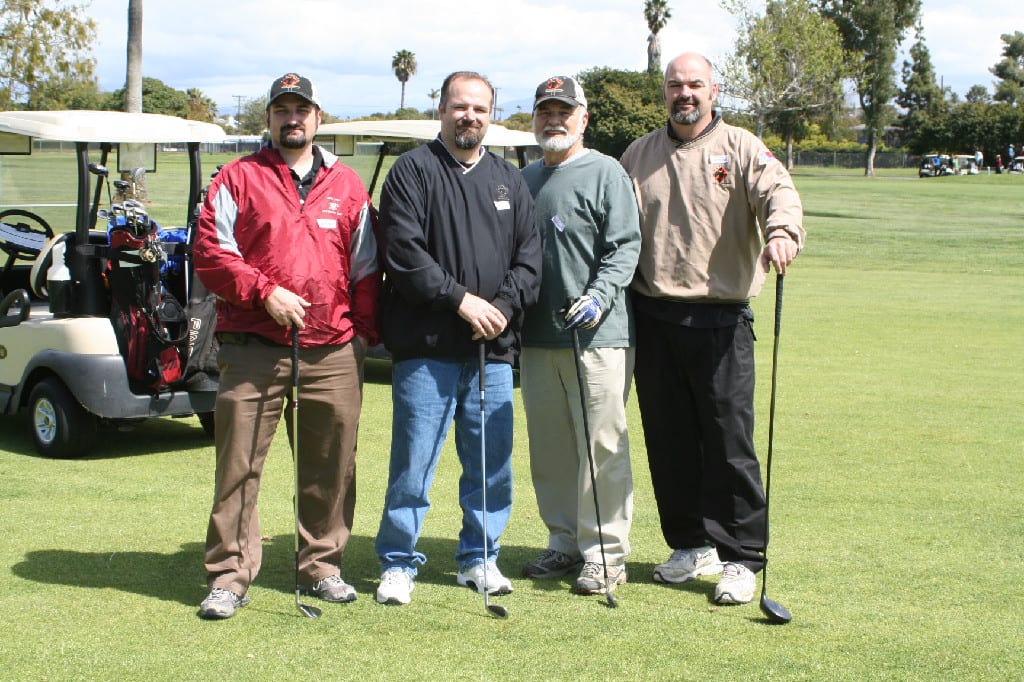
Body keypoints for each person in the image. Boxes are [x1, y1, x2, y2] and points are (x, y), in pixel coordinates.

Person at [620, 52, 805, 607]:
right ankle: (691, 544)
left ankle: (743, 557)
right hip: (653, 317)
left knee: (729, 443)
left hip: (720, 319)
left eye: (695, 84)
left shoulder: (743, 147)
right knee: (669, 440)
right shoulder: (639, 153)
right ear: (665, 92)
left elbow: (780, 194)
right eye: (676, 84)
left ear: (713, 89)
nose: (685, 93)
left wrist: (782, 232)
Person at [193, 73, 381, 619]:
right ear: (270, 118)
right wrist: (265, 291)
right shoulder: (237, 177)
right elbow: (210, 253)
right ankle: (229, 575)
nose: (292, 118)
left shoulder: (347, 185)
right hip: (255, 346)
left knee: (331, 465)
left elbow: (367, 267)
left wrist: (362, 333)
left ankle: (322, 565)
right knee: (239, 465)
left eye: (302, 109)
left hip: (333, 348)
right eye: (282, 109)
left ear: (318, 118)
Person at [373, 71, 541, 606]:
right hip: (427, 349)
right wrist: (462, 300)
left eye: (480, 108)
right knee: (414, 462)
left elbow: (529, 258)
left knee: (491, 464)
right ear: (442, 110)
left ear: (491, 114)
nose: (470, 116)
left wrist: (501, 308)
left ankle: (480, 557)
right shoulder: (412, 171)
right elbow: (404, 255)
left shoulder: (507, 179)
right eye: (460, 107)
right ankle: (398, 562)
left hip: (491, 350)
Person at [518, 76, 641, 596]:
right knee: (550, 450)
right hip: (537, 337)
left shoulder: (606, 172)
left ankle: (606, 553)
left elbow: (624, 247)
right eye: (545, 111)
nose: (554, 120)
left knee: (601, 447)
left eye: (564, 111)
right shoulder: (523, 179)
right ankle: (564, 540)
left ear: (583, 117)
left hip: (599, 337)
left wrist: (598, 295)